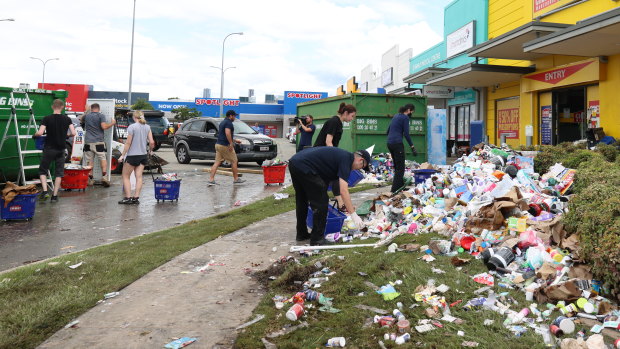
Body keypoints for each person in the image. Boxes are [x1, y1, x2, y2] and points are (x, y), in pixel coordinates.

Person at [289, 147, 369, 246]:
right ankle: (317, 240)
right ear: (361, 160)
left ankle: (301, 234)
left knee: (302, 199)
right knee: (321, 202)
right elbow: (344, 190)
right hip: (305, 165)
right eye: (362, 167)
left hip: (295, 162)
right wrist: (353, 215)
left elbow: (331, 182)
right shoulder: (347, 160)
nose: (358, 169)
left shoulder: (341, 157)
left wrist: (344, 204)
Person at [314, 103, 357, 206]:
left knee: (334, 177)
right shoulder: (334, 121)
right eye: (352, 116)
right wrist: (334, 157)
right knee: (335, 176)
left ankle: (340, 202)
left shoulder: (338, 122)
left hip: (325, 152)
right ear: (345, 113)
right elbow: (328, 141)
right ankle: (340, 202)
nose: (352, 119)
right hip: (321, 153)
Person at [33, 99, 76, 202]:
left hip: (49, 148)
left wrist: (34, 135)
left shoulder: (47, 118)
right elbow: (74, 133)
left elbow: (40, 132)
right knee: (58, 173)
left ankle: (45, 191)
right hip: (61, 149)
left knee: (42, 171)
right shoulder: (67, 119)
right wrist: (67, 135)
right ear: (62, 107)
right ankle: (55, 196)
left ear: (52, 106)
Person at [117, 111, 155, 204]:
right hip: (143, 155)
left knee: (125, 176)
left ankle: (128, 198)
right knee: (139, 177)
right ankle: (136, 198)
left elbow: (128, 143)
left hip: (132, 156)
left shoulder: (132, 127)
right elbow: (152, 142)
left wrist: (122, 155)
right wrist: (150, 151)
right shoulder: (147, 127)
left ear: (134, 117)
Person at [208, 110, 245, 185]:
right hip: (225, 145)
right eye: (234, 116)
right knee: (234, 160)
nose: (235, 117)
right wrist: (231, 144)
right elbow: (227, 133)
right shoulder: (229, 123)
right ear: (230, 116)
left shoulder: (222, 122)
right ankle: (236, 179)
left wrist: (234, 140)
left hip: (218, 145)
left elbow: (223, 135)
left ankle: (211, 180)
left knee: (217, 162)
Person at [387, 103, 417, 193]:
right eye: (411, 111)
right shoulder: (405, 118)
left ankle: (400, 187)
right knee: (400, 168)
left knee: (397, 167)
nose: (411, 113)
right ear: (408, 110)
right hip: (397, 144)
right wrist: (412, 146)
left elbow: (387, 130)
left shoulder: (396, 116)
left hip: (390, 143)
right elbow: (406, 134)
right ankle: (394, 190)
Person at [83, 103, 116, 187]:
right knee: (102, 158)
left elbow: (81, 119)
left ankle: (90, 179)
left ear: (91, 108)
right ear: (99, 108)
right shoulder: (101, 116)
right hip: (99, 142)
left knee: (89, 160)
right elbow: (104, 127)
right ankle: (104, 177)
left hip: (88, 142)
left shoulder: (87, 116)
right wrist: (112, 123)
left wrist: (86, 111)